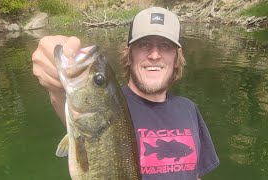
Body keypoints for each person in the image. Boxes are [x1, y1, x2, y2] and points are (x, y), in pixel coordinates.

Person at [32, 6, 219, 180]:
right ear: (129, 54)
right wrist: (56, 76)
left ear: (177, 58)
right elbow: (63, 100)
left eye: (165, 46)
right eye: (144, 45)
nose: (154, 55)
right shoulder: (112, 106)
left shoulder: (189, 109)